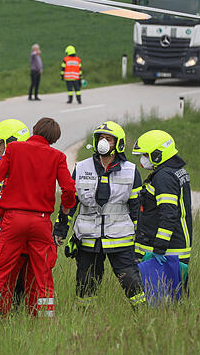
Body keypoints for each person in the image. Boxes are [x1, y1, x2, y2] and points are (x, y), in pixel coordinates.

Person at [0, 117, 75, 318]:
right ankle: (45, 322)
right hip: (41, 222)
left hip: (14, 220)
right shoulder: (58, 157)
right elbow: (68, 189)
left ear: (34, 130)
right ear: (55, 138)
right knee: (43, 275)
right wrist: (64, 213)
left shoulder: (14, 149)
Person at [54, 121, 146, 308]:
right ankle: (84, 317)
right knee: (85, 283)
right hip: (88, 239)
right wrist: (61, 228)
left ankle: (143, 314)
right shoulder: (81, 168)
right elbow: (70, 203)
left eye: (109, 139)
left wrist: (141, 241)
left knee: (130, 280)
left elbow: (137, 209)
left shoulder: (131, 171)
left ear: (118, 144)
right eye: (101, 138)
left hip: (120, 239)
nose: (103, 142)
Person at [0, 119, 34, 309]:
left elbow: (2, 199)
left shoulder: (21, 167)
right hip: (7, 227)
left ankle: (2, 309)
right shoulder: (4, 164)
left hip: (13, 228)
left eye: (0, 142)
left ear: (12, 143)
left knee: (5, 272)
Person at [131, 130, 192, 274]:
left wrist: (159, 248)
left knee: (163, 294)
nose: (143, 159)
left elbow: (168, 214)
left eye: (146, 155)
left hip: (168, 251)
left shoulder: (164, 177)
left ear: (158, 154)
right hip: (174, 246)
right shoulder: (175, 171)